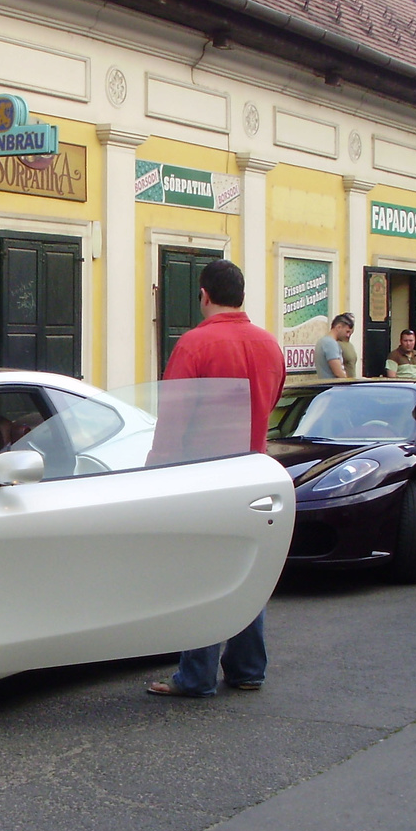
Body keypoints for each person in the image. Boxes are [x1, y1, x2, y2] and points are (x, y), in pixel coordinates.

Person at [146, 258, 285, 698]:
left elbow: (174, 417)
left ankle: (196, 675)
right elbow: (273, 401)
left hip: (204, 474)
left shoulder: (194, 344)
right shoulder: (268, 345)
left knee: (201, 574)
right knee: (246, 569)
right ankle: (247, 669)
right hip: (253, 470)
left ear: (203, 294)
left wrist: (155, 472)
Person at [316, 313, 358, 379]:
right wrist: (347, 383)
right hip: (333, 386)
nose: (348, 335)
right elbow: (338, 372)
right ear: (339, 327)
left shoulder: (322, 341)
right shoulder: (330, 343)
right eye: (347, 331)